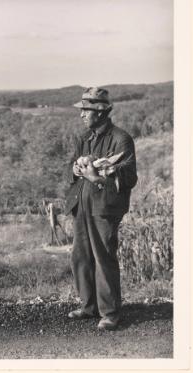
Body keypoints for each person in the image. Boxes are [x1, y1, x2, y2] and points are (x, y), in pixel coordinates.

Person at [64, 87, 137, 330]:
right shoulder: (85, 138)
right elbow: (72, 166)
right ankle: (89, 307)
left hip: (105, 207)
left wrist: (97, 178)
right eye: (82, 110)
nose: (82, 115)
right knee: (80, 256)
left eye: (86, 110)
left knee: (103, 257)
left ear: (101, 112)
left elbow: (129, 178)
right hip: (82, 206)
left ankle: (110, 313)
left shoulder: (121, 139)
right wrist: (75, 170)